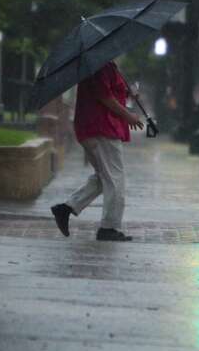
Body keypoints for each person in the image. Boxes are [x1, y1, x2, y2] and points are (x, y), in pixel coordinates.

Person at [51, 60, 143, 241]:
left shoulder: (106, 65)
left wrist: (128, 94)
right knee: (115, 179)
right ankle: (109, 227)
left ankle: (66, 208)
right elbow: (105, 97)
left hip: (98, 127)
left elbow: (110, 93)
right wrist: (128, 115)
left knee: (104, 177)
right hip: (101, 128)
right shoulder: (98, 65)